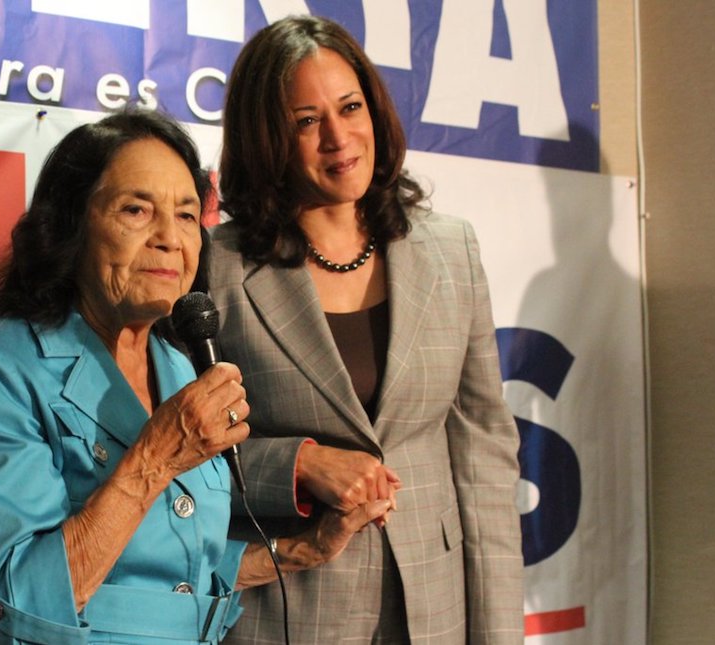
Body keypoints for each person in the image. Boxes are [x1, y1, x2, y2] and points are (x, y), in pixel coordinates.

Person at [0, 109, 392, 644]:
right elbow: (14, 604)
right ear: (69, 226)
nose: (170, 239)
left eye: (187, 215)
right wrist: (155, 458)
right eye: (136, 210)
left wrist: (304, 549)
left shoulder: (177, 368)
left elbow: (173, 574)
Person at [208, 16, 524, 644]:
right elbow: (178, 451)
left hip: (433, 607)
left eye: (350, 107)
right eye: (305, 121)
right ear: (266, 138)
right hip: (286, 606)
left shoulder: (449, 248)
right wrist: (298, 464)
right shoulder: (215, 266)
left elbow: (483, 452)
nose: (338, 137)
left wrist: (496, 633)